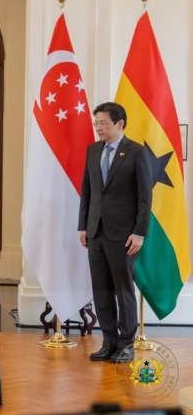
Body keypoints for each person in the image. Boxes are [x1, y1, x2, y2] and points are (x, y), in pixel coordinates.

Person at [78, 102, 152, 363]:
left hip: (124, 235)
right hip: (95, 232)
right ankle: (108, 343)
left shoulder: (137, 152)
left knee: (123, 290)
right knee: (101, 290)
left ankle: (126, 344)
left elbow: (145, 197)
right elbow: (87, 191)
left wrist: (139, 233)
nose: (98, 128)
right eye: (96, 123)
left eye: (103, 123)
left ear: (119, 124)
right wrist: (83, 226)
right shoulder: (93, 150)